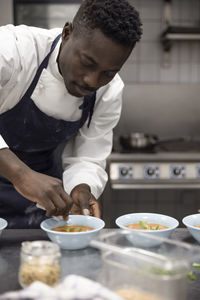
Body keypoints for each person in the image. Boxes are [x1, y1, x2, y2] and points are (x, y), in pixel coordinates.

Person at [0, 0, 142, 228]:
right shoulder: (13, 50)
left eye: (108, 73)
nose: (92, 81)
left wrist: (81, 187)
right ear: (67, 33)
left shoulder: (110, 90)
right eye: (87, 62)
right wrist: (21, 175)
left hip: (41, 199)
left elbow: (88, 155)